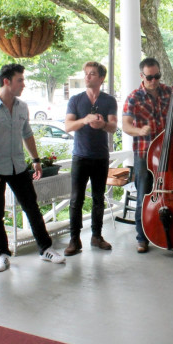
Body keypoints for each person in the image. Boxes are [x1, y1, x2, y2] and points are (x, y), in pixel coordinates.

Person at [0, 63, 65, 271]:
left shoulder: (22, 107)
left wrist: (36, 159)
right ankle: (2, 254)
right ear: (7, 82)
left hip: (19, 167)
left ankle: (46, 249)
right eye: (20, 80)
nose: (23, 84)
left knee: (32, 208)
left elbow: (27, 134)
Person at [122, 57, 173, 253]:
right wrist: (138, 131)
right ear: (142, 76)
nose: (154, 81)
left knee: (172, 193)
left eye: (157, 76)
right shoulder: (134, 97)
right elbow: (126, 126)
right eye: (150, 77)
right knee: (144, 195)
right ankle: (142, 238)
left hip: (168, 151)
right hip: (144, 153)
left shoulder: (169, 91)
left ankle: (172, 230)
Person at [63, 61, 118, 256]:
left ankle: (96, 236)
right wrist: (84, 120)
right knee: (76, 199)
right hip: (80, 156)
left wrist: (102, 125)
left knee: (98, 199)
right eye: (86, 73)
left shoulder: (109, 100)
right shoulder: (76, 100)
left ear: (101, 78)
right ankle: (74, 240)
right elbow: (68, 126)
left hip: (100, 157)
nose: (87, 76)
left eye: (92, 74)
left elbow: (113, 127)